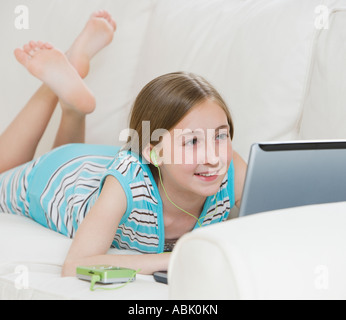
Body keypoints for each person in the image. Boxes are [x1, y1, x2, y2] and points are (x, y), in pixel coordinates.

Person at [0, 10, 247, 277]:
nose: (213, 157)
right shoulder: (127, 184)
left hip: (96, 164)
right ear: (153, 152)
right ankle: (56, 84)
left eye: (220, 135)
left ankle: (74, 107)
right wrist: (172, 258)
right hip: (58, 178)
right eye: (193, 142)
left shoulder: (232, 168)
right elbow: (75, 266)